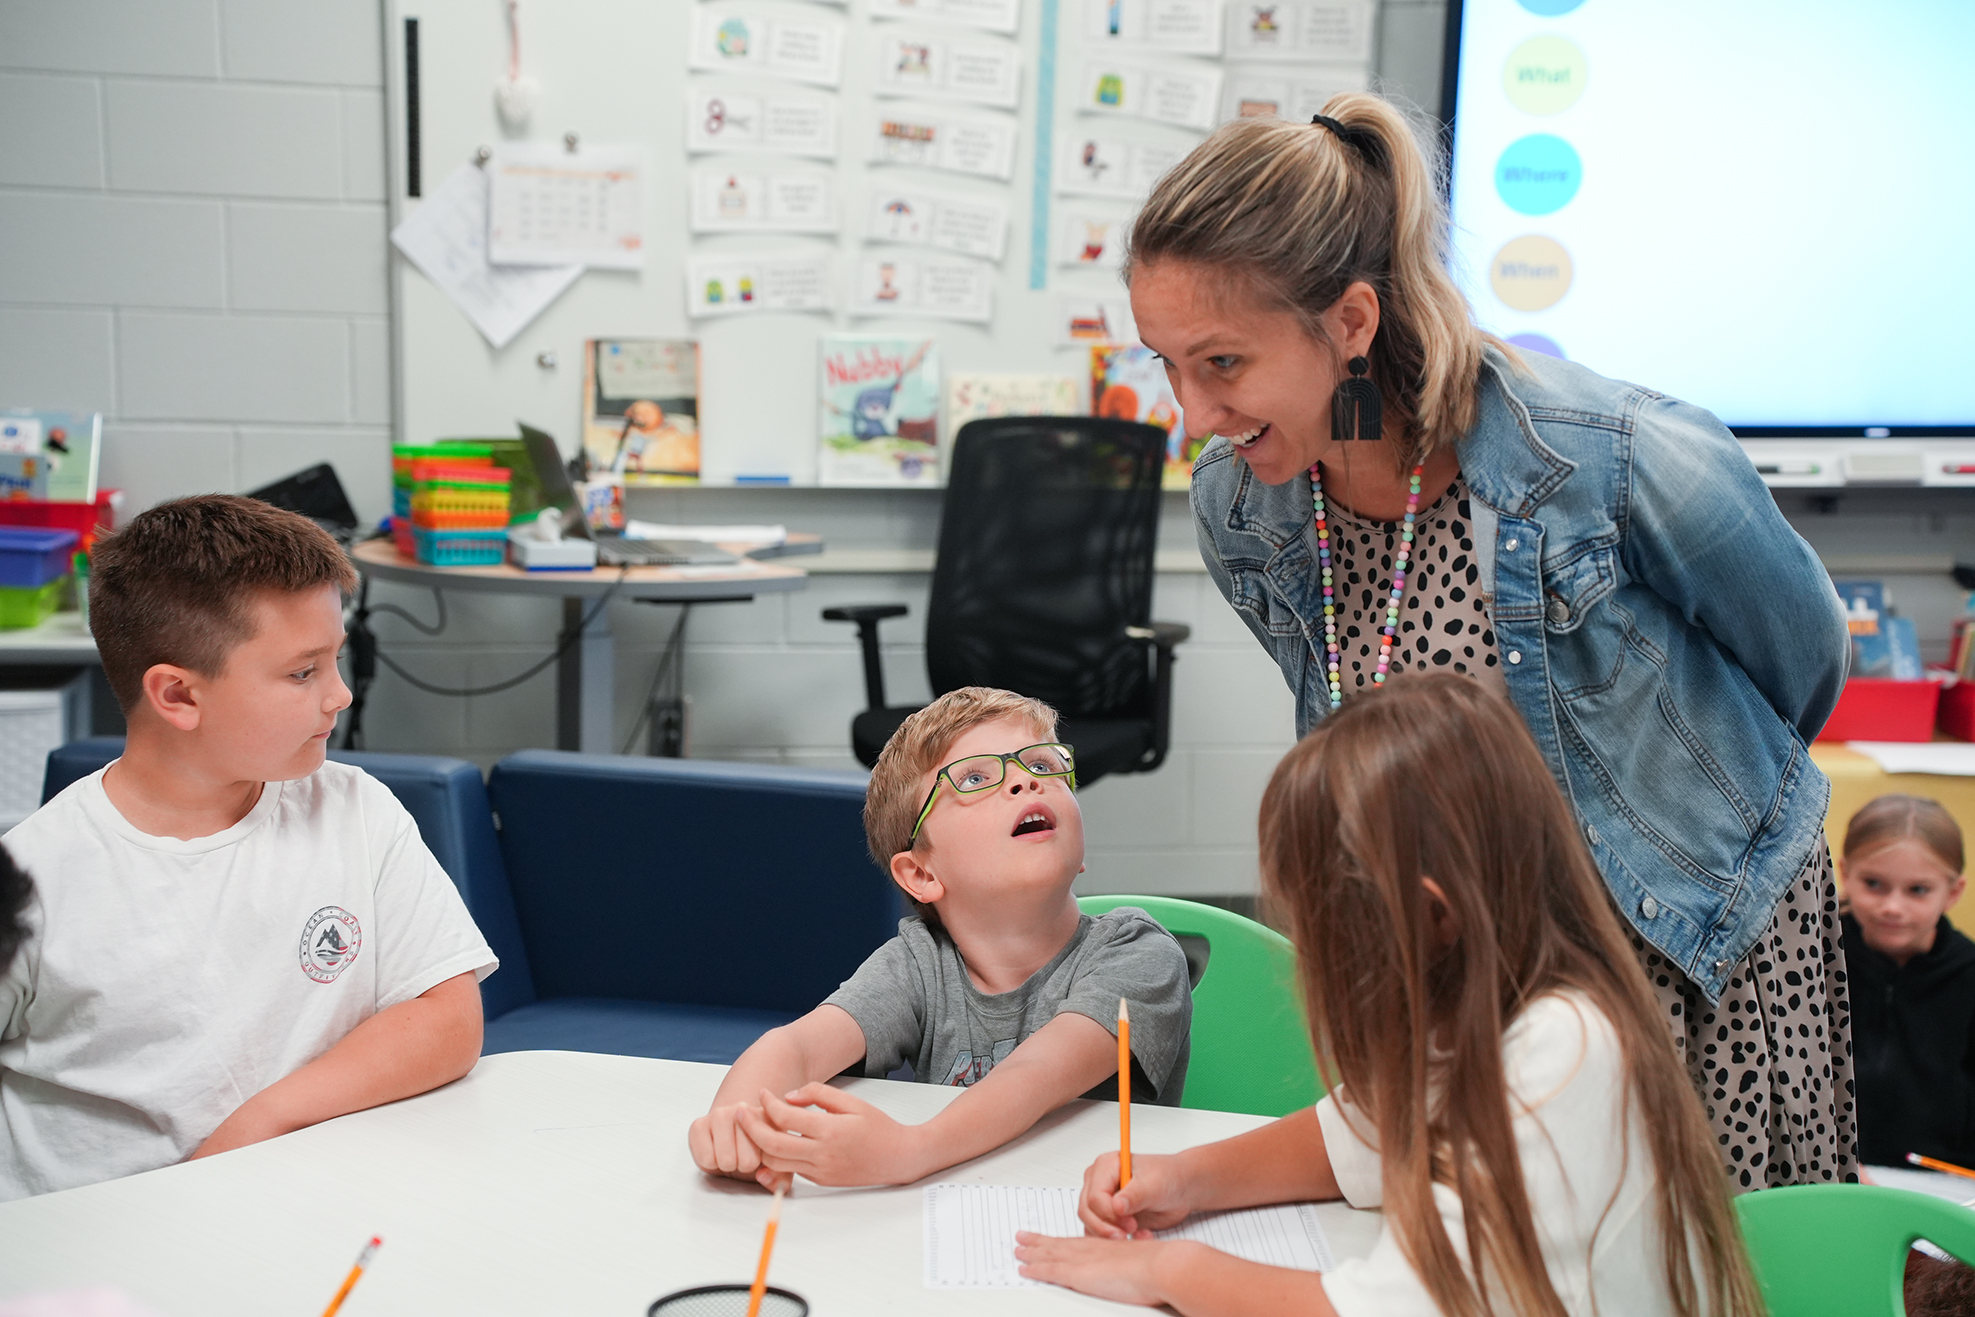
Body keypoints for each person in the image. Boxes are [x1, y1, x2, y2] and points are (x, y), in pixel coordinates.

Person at [1129, 92, 1855, 1186]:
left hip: (1685, 939)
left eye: (1222, 364)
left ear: (1352, 323)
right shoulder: (1244, 504)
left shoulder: (1608, 458)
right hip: (1475, 961)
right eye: (1165, 364)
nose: (1191, 412)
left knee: (1690, 1268)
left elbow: (1802, 663)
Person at [1016, 675, 1763, 1317]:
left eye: (1323, 920)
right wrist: (1185, 1176)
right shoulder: (1485, 997)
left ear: (1428, 913)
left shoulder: (1564, 1050)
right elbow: (1360, 1132)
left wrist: (1170, 1272)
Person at [0, 495, 497, 1200]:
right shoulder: (34, 878)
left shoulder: (357, 810)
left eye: (336, 660)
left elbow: (449, 1017)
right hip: (93, 1248)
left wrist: (257, 1125)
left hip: (292, 1205)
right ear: (177, 694)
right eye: (303, 672)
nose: (341, 695)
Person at [688, 686, 1191, 1188]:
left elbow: (1034, 1076)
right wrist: (737, 1126)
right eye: (974, 778)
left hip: (1094, 1224)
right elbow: (796, 1047)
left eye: (1041, 765)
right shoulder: (919, 963)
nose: (1024, 783)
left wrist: (909, 1150)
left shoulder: (1138, 953)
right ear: (922, 875)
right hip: (956, 1213)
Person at [1839, 794, 1975, 1168]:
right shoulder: (1814, 959)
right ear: (1845, 874)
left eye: (1917, 890)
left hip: (1944, 1176)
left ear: (1953, 892)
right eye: (1874, 884)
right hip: (1832, 1167)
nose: (1892, 907)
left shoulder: (1969, 973)